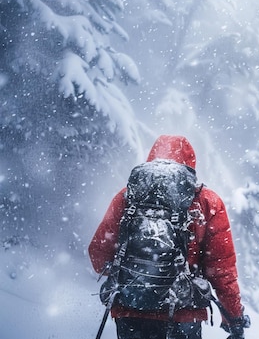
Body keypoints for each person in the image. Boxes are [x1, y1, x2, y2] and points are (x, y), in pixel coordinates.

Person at [89, 135, 248, 339]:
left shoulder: (127, 197)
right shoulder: (208, 202)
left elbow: (98, 254)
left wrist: (134, 276)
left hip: (131, 310)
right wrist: (233, 317)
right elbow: (222, 270)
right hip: (183, 314)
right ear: (191, 164)